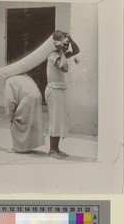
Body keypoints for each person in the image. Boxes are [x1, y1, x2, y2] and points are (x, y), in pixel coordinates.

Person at [45, 30, 80, 159]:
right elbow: (64, 68)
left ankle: (57, 149)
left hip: (59, 89)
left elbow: (76, 51)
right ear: (57, 44)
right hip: (53, 89)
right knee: (55, 120)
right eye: (64, 43)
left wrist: (70, 40)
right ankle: (52, 150)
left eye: (66, 44)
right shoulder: (54, 55)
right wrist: (60, 50)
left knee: (59, 120)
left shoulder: (61, 54)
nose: (66, 47)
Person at [3, 74, 45, 153]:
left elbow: (9, 101)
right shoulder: (25, 76)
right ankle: (28, 146)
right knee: (32, 120)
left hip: (28, 97)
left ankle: (18, 148)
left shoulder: (9, 80)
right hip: (38, 96)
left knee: (18, 121)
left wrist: (10, 116)